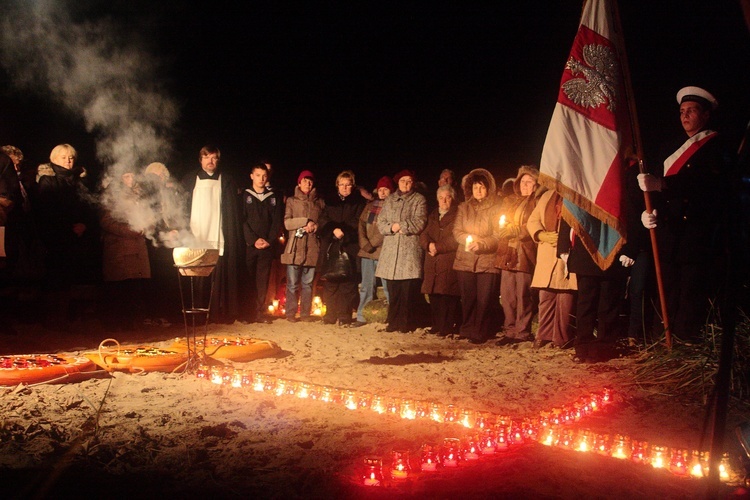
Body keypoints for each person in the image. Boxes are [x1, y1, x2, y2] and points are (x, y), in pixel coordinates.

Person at [638, 86, 731, 343]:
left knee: (690, 292)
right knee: (665, 291)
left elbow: (706, 184)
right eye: (681, 111)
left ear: (706, 115)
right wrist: (649, 211)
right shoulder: (670, 147)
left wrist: (664, 185)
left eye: (691, 111)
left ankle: (684, 345)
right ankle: (661, 342)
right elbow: (654, 186)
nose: (685, 116)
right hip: (669, 231)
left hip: (696, 234)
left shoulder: (717, 146)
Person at [35, 144, 100, 329]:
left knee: (71, 278)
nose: (68, 161)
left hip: (77, 238)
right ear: (54, 159)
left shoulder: (79, 181)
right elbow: (46, 211)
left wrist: (84, 224)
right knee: (54, 278)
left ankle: (65, 318)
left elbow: (89, 207)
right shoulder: (47, 180)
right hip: (55, 238)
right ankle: (51, 319)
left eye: (71, 157)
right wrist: (67, 227)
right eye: (63, 157)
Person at [182, 145, 244, 324]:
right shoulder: (189, 180)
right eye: (207, 157)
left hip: (218, 234)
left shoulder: (227, 181)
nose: (211, 161)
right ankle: (197, 316)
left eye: (214, 158)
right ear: (200, 159)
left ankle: (219, 314)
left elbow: (232, 212)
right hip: (197, 234)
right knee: (198, 277)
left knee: (219, 276)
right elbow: (181, 205)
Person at [495, 166, 545, 346]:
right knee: (507, 295)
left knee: (523, 294)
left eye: (529, 182)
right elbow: (499, 221)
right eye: (522, 181)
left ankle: (522, 331)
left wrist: (516, 230)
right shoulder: (509, 200)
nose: (525, 185)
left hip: (525, 253)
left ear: (536, 184)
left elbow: (535, 224)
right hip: (507, 252)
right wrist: (501, 229)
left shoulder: (537, 202)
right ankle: (509, 330)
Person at [452, 168, 502, 344]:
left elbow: (497, 235)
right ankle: (467, 328)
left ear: (488, 188)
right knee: (468, 297)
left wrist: (482, 244)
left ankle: (481, 331)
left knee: (484, 298)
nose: (478, 191)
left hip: (487, 261)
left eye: (481, 187)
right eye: (475, 187)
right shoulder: (463, 208)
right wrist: (467, 238)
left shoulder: (496, 209)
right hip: (465, 259)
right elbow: (457, 230)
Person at [376, 170, 427, 333]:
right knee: (393, 289)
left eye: (409, 181)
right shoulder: (390, 200)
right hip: (391, 251)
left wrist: (401, 226)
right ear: (397, 183)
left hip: (409, 251)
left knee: (408, 290)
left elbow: (420, 221)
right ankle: (393, 322)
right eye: (403, 181)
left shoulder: (419, 199)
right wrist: (392, 228)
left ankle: (407, 323)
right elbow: (381, 222)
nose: (406, 184)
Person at [99, 170, 151, 331]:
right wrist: (130, 230)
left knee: (134, 287)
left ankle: (132, 322)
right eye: (127, 175)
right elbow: (106, 221)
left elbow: (149, 215)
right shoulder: (111, 195)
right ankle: (116, 323)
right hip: (119, 248)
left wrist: (148, 224)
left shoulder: (139, 194)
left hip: (136, 247)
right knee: (119, 287)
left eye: (133, 174)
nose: (131, 178)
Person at [526, 189, 577, 349]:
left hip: (568, 252)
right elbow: (533, 220)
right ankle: (544, 335)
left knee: (565, 297)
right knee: (546, 297)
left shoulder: (577, 194)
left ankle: (561, 338)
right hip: (548, 251)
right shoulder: (547, 196)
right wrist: (541, 235)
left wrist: (564, 239)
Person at [318, 170, 365, 326]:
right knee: (331, 282)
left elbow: (358, 220)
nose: (345, 187)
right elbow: (323, 219)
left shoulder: (358, 202)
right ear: (337, 185)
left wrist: (344, 230)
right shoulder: (329, 201)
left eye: (348, 184)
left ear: (353, 185)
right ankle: (330, 315)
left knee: (348, 283)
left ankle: (344, 316)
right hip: (331, 245)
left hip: (349, 245)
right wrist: (333, 230)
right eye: (342, 184)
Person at [242, 163, 284, 323]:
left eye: (264, 176)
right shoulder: (245, 196)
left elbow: (276, 221)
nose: (261, 178)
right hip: (250, 246)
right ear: (252, 176)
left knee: (262, 279)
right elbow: (242, 221)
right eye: (258, 175)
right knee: (248, 279)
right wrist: (253, 240)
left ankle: (259, 312)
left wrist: (269, 240)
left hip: (266, 246)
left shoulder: (273, 197)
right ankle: (247, 312)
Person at [281, 170, 324, 322]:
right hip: (295, 247)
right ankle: (290, 314)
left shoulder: (319, 202)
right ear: (299, 183)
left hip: (312, 247)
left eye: (310, 181)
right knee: (292, 284)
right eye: (305, 181)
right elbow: (287, 223)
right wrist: (305, 222)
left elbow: (323, 222)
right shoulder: (292, 201)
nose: (308, 184)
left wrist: (315, 227)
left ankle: (305, 313)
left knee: (308, 284)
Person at [420, 184, 461, 336]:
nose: (444, 201)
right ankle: (436, 325)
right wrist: (428, 245)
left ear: (453, 199)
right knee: (434, 294)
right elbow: (424, 233)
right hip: (432, 259)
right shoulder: (433, 215)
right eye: (441, 198)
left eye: (447, 197)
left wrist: (439, 247)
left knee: (447, 295)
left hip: (447, 259)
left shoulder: (458, 215)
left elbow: (456, 237)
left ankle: (447, 327)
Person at [353, 175, 393, 327]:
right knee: (366, 285)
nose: (382, 193)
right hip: (367, 252)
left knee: (387, 286)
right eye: (380, 189)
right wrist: (364, 243)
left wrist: (373, 242)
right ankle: (362, 315)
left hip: (383, 250)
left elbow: (387, 227)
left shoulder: (392, 206)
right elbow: (361, 223)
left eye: (386, 189)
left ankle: (390, 315)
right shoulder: (370, 205)